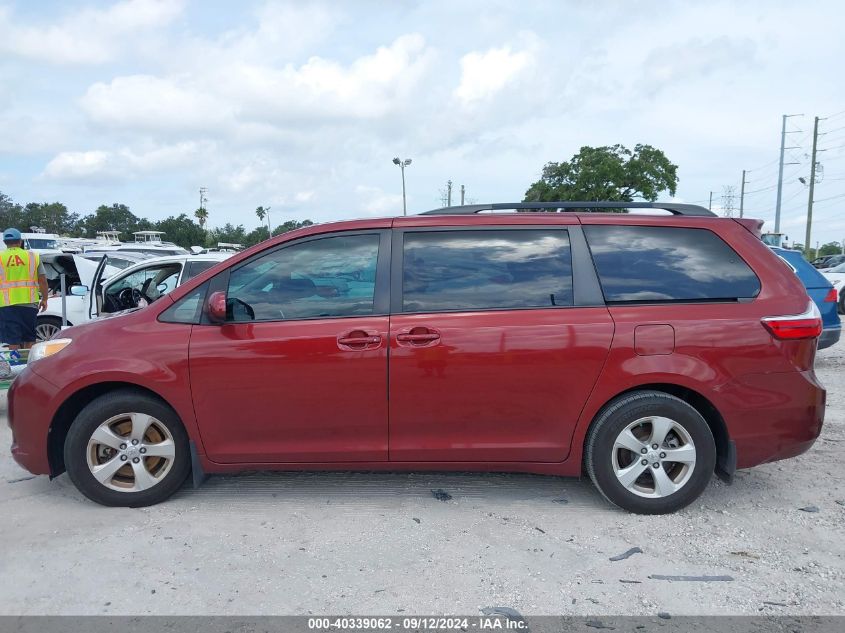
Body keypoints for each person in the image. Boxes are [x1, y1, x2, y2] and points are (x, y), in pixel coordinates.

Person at [0, 228, 49, 350]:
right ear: (20, 241)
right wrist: (45, 299)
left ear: (5, 242)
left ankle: (15, 364)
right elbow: (42, 280)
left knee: (12, 338)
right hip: (29, 303)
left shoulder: (1, 257)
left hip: (6, 304)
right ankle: (28, 363)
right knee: (29, 337)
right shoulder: (33, 257)